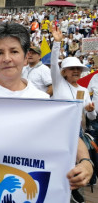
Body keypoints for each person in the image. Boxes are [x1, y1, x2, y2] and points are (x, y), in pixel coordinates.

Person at [0, 22, 93, 197]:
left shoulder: (42, 102)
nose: (7, 58)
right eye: (0, 52)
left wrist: (85, 162)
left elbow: (68, 133)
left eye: (14, 51)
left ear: (25, 57)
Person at [50, 25, 96, 203]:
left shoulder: (84, 90)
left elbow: (89, 117)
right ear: (64, 72)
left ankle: (72, 191)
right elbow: (54, 62)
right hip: (56, 129)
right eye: (72, 69)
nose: (76, 72)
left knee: (74, 164)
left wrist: (90, 111)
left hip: (75, 132)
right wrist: (56, 43)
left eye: (78, 69)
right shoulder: (59, 83)